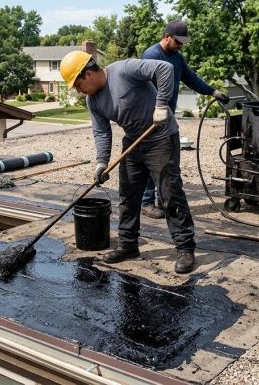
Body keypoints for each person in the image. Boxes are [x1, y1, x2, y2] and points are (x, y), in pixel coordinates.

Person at [59, 50, 201, 273]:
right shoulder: (93, 100)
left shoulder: (124, 70)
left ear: (88, 74)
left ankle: (185, 248)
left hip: (161, 138)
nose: (78, 91)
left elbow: (165, 69)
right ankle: (128, 245)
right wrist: (101, 163)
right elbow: (102, 132)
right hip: (134, 142)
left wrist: (161, 105)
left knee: (170, 194)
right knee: (128, 196)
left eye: (77, 85)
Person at [139, 20, 229, 219]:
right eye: (178, 41)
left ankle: (163, 200)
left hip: (166, 117)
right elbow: (142, 88)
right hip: (150, 118)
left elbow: (191, 78)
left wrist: (213, 91)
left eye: (182, 42)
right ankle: (146, 203)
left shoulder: (177, 57)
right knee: (152, 160)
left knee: (167, 160)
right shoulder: (151, 56)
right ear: (166, 36)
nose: (180, 45)